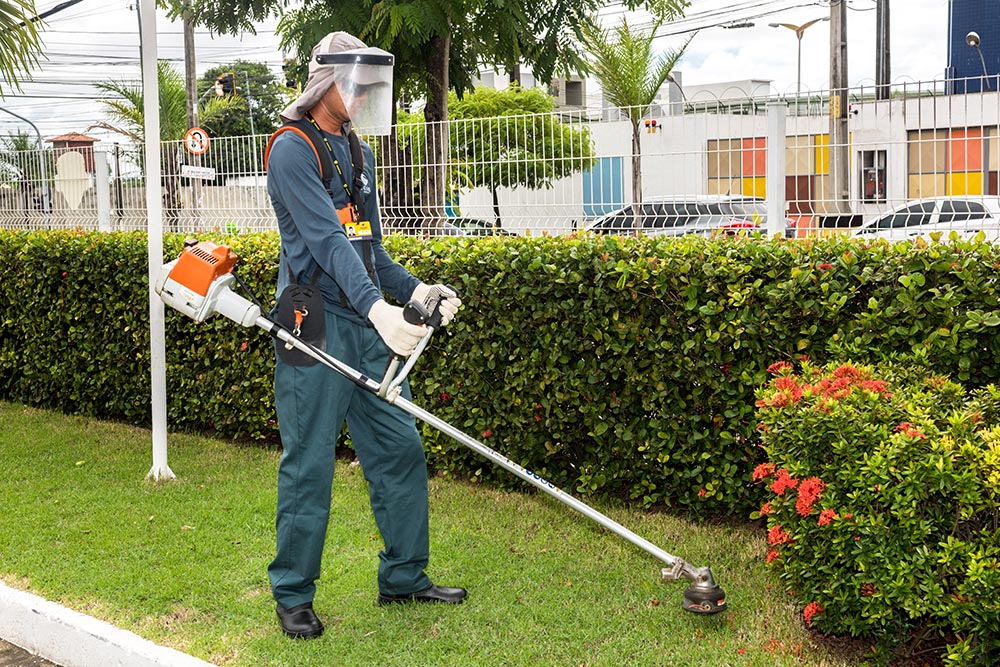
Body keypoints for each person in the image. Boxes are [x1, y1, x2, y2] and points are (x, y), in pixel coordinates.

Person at [265, 31, 466, 640]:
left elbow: (367, 249)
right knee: (309, 464)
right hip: (312, 324)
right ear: (324, 81)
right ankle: (293, 594)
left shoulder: (358, 152)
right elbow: (326, 242)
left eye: (372, 86)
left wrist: (414, 292)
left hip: (364, 319)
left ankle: (404, 577)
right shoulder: (291, 149)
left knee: (398, 450)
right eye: (355, 83)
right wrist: (381, 310)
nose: (364, 95)